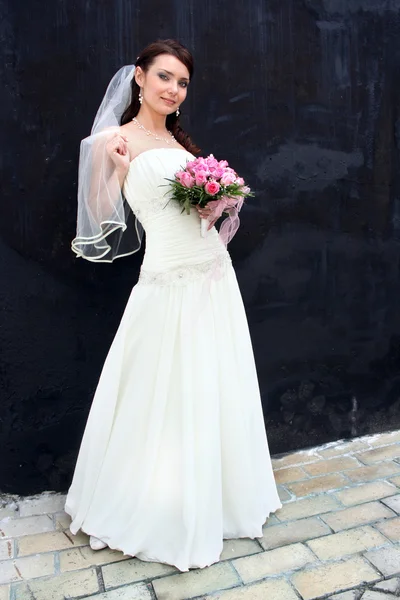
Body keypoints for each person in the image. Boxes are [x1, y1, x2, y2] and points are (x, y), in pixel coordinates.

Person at [65, 39, 281, 572]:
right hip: (167, 274)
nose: (172, 88)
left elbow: (198, 212)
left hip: (212, 270)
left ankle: (220, 496)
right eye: (163, 76)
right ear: (138, 77)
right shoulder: (111, 141)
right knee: (163, 380)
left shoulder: (186, 149)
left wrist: (220, 198)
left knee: (214, 376)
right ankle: (160, 504)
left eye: (182, 82)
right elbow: (99, 217)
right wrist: (117, 171)